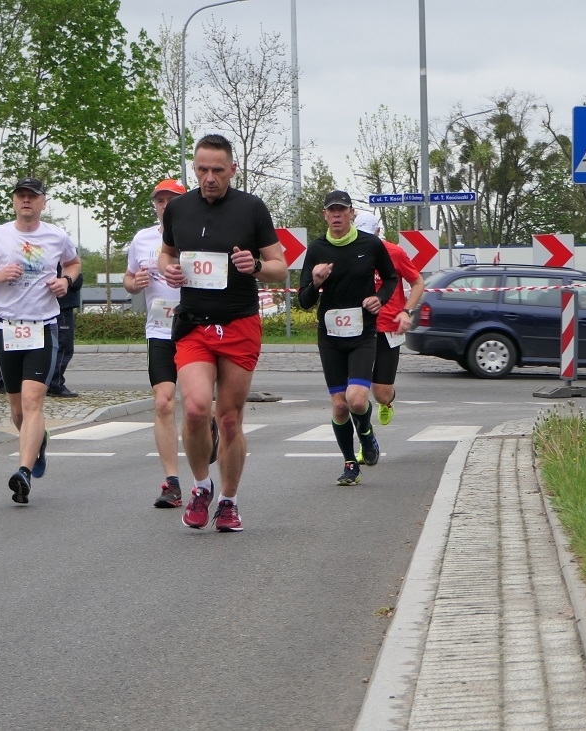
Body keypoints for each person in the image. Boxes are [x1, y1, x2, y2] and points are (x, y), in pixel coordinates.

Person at [159, 134, 287, 532]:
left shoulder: (252, 208)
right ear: (194, 168)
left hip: (238, 323)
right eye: (202, 169)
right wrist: (168, 269)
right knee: (196, 408)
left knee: (228, 419)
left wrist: (256, 266)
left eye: (217, 170)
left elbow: (280, 267)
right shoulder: (178, 209)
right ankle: (202, 486)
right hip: (194, 324)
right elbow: (167, 253)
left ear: (233, 169)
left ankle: (229, 502)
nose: (209, 177)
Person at [0, 177, 81, 504]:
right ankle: (38, 441)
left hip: (42, 327)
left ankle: (24, 472)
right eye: (21, 196)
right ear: (14, 202)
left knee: (33, 402)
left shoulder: (57, 236)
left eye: (32, 196)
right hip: (8, 329)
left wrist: (66, 281)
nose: (26, 200)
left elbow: (73, 263)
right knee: (17, 409)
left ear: (43, 202)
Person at [124, 178, 220, 509]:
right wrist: (134, 283)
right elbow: (129, 278)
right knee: (164, 402)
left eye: (171, 199)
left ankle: (209, 424)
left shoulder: (201, 233)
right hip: (160, 330)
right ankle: (172, 482)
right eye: (160, 200)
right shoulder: (142, 239)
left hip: (197, 329)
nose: (165, 206)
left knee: (197, 405)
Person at [296, 191, 398, 487]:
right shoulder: (317, 249)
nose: (337, 215)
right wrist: (316, 282)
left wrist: (380, 298)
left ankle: (366, 435)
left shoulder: (370, 244)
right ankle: (350, 463)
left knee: (356, 400)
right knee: (340, 406)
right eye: (332, 210)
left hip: (363, 333)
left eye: (342, 209)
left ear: (351, 213)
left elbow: (391, 278)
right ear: (325, 215)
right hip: (330, 336)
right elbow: (304, 301)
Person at [352, 210, 425, 427]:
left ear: (378, 232)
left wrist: (406, 311)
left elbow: (418, 283)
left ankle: (387, 402)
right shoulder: (349, 252)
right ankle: (364, 433)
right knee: (354, 393)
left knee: (381, 393)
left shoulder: (395, 252)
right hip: (357, 328)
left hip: (388, 328)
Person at [48, 265, 83, 397]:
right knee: (63, 347)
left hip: (54, 307)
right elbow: (76, 281)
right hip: (62, 307)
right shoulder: (61, 259)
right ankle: (55, 384)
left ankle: (49, 383)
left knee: (53, 347)